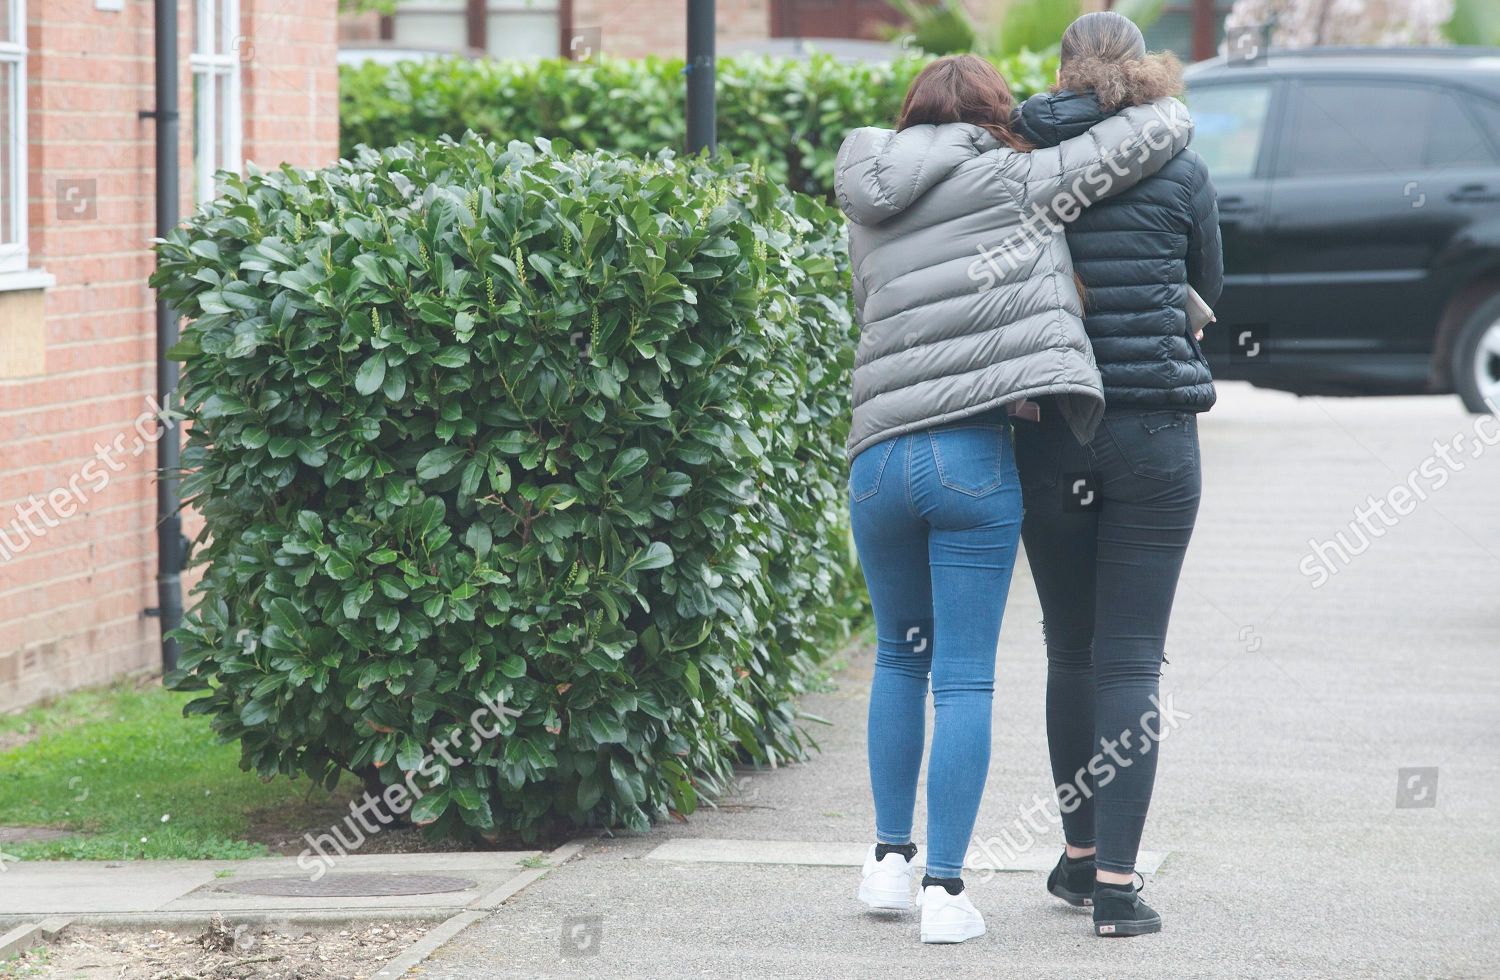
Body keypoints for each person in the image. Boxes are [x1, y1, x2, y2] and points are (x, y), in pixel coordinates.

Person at [834, 52, 1192, 944]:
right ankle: (946, 894)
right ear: (995, 114)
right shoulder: (1015, 179)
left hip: (876, 460)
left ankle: (887, 864)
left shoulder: (866, 201)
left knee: (896, 659)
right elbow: (1134, 142)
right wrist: (1168, 105)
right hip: (969, 459)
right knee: (963, 677)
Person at [1008, 11, 1223, 938]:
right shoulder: (1181, 167)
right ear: (1142, 73)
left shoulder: (1024, 165)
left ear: (1059, 72)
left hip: (1055, 429)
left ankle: (1080, 857)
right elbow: (1213, 284)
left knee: (1072, 648)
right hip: (1154, 434)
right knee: (1133, 656)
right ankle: (1120, 892)